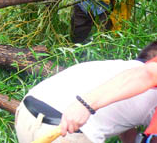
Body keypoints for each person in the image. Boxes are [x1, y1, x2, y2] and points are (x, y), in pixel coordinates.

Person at [15, 41, 157, 143]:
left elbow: (126, 118)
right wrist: (85, 105)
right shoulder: (147, 85)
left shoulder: (117, 69)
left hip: (26, 115)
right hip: (66, 132)